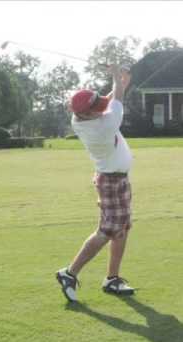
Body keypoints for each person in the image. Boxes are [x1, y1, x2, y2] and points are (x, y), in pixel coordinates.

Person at [56, 64, 135, 302]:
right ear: (88, 114)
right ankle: (70, 273)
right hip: (111, 180)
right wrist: (117, 81)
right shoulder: (103, 126)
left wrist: (121, 84)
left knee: (121, 229)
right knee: (107, 231)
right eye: (95, 107)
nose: (101, 108)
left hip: (117, 179)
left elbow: (108, 102)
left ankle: (112, 279)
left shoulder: (80, 117)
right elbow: (115, 102)